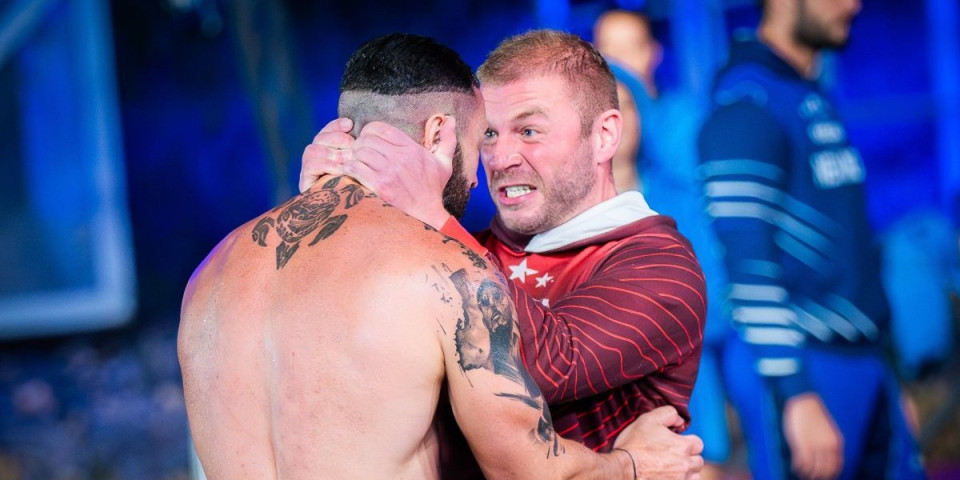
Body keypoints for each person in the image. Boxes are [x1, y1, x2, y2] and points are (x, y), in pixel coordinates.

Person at [180, 33, 703, 480]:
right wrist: (336, 209)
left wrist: (426, 216)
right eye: (488, 134)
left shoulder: (660, 264)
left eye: (529, 131)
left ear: (604, 135)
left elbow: (554, 365)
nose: (498, 159)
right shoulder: (443, 257)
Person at [697, 0, 927, 479]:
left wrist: (888, 375)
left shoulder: (805, 92)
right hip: (807, 368)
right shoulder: (746, 104)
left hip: (862, 361)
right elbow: (748, 268)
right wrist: (796, 393)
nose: (853, 5)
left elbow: (855, 258)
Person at [594, 10, 735, 480]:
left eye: (627, 48)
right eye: (607, 49)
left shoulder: (683, 130)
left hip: (710, 334)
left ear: (653, 54)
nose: (617, 61)